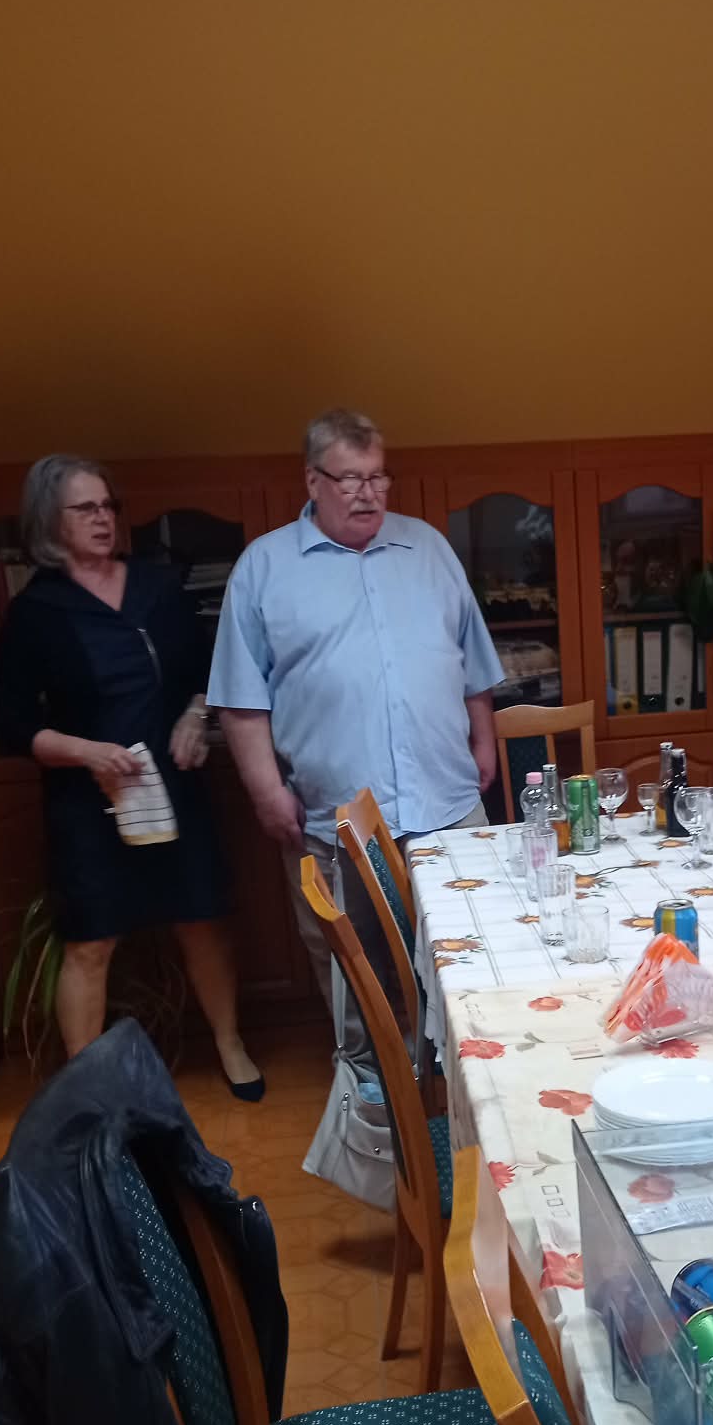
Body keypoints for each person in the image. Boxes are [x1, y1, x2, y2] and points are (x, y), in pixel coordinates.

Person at [207, 408, 506, 1015]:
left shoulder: (428, 548)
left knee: (476, 961)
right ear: (312, 481)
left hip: (447, 808)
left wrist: (484, 740)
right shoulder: (264, 568)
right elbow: (241, 700)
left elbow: (472, 660)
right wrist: (266, 792)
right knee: (356, 980)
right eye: (349, 479)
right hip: (335, 821)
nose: (368, 493)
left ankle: (465, 1073)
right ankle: (371, 1076)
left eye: (377, 476)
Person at [0, 455, 264, 1095]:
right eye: (85, 509)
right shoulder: (36, 610)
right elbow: (14, 727)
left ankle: (230, 1045)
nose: (104, 519)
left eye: (109, 506)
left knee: (200, 919)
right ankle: (87, 1086)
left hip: (175, 785)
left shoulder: (156, 586)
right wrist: (87, 752)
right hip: (90, 800)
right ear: (50, 521)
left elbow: (209, 670)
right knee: (91, 942)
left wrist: (196, 716)